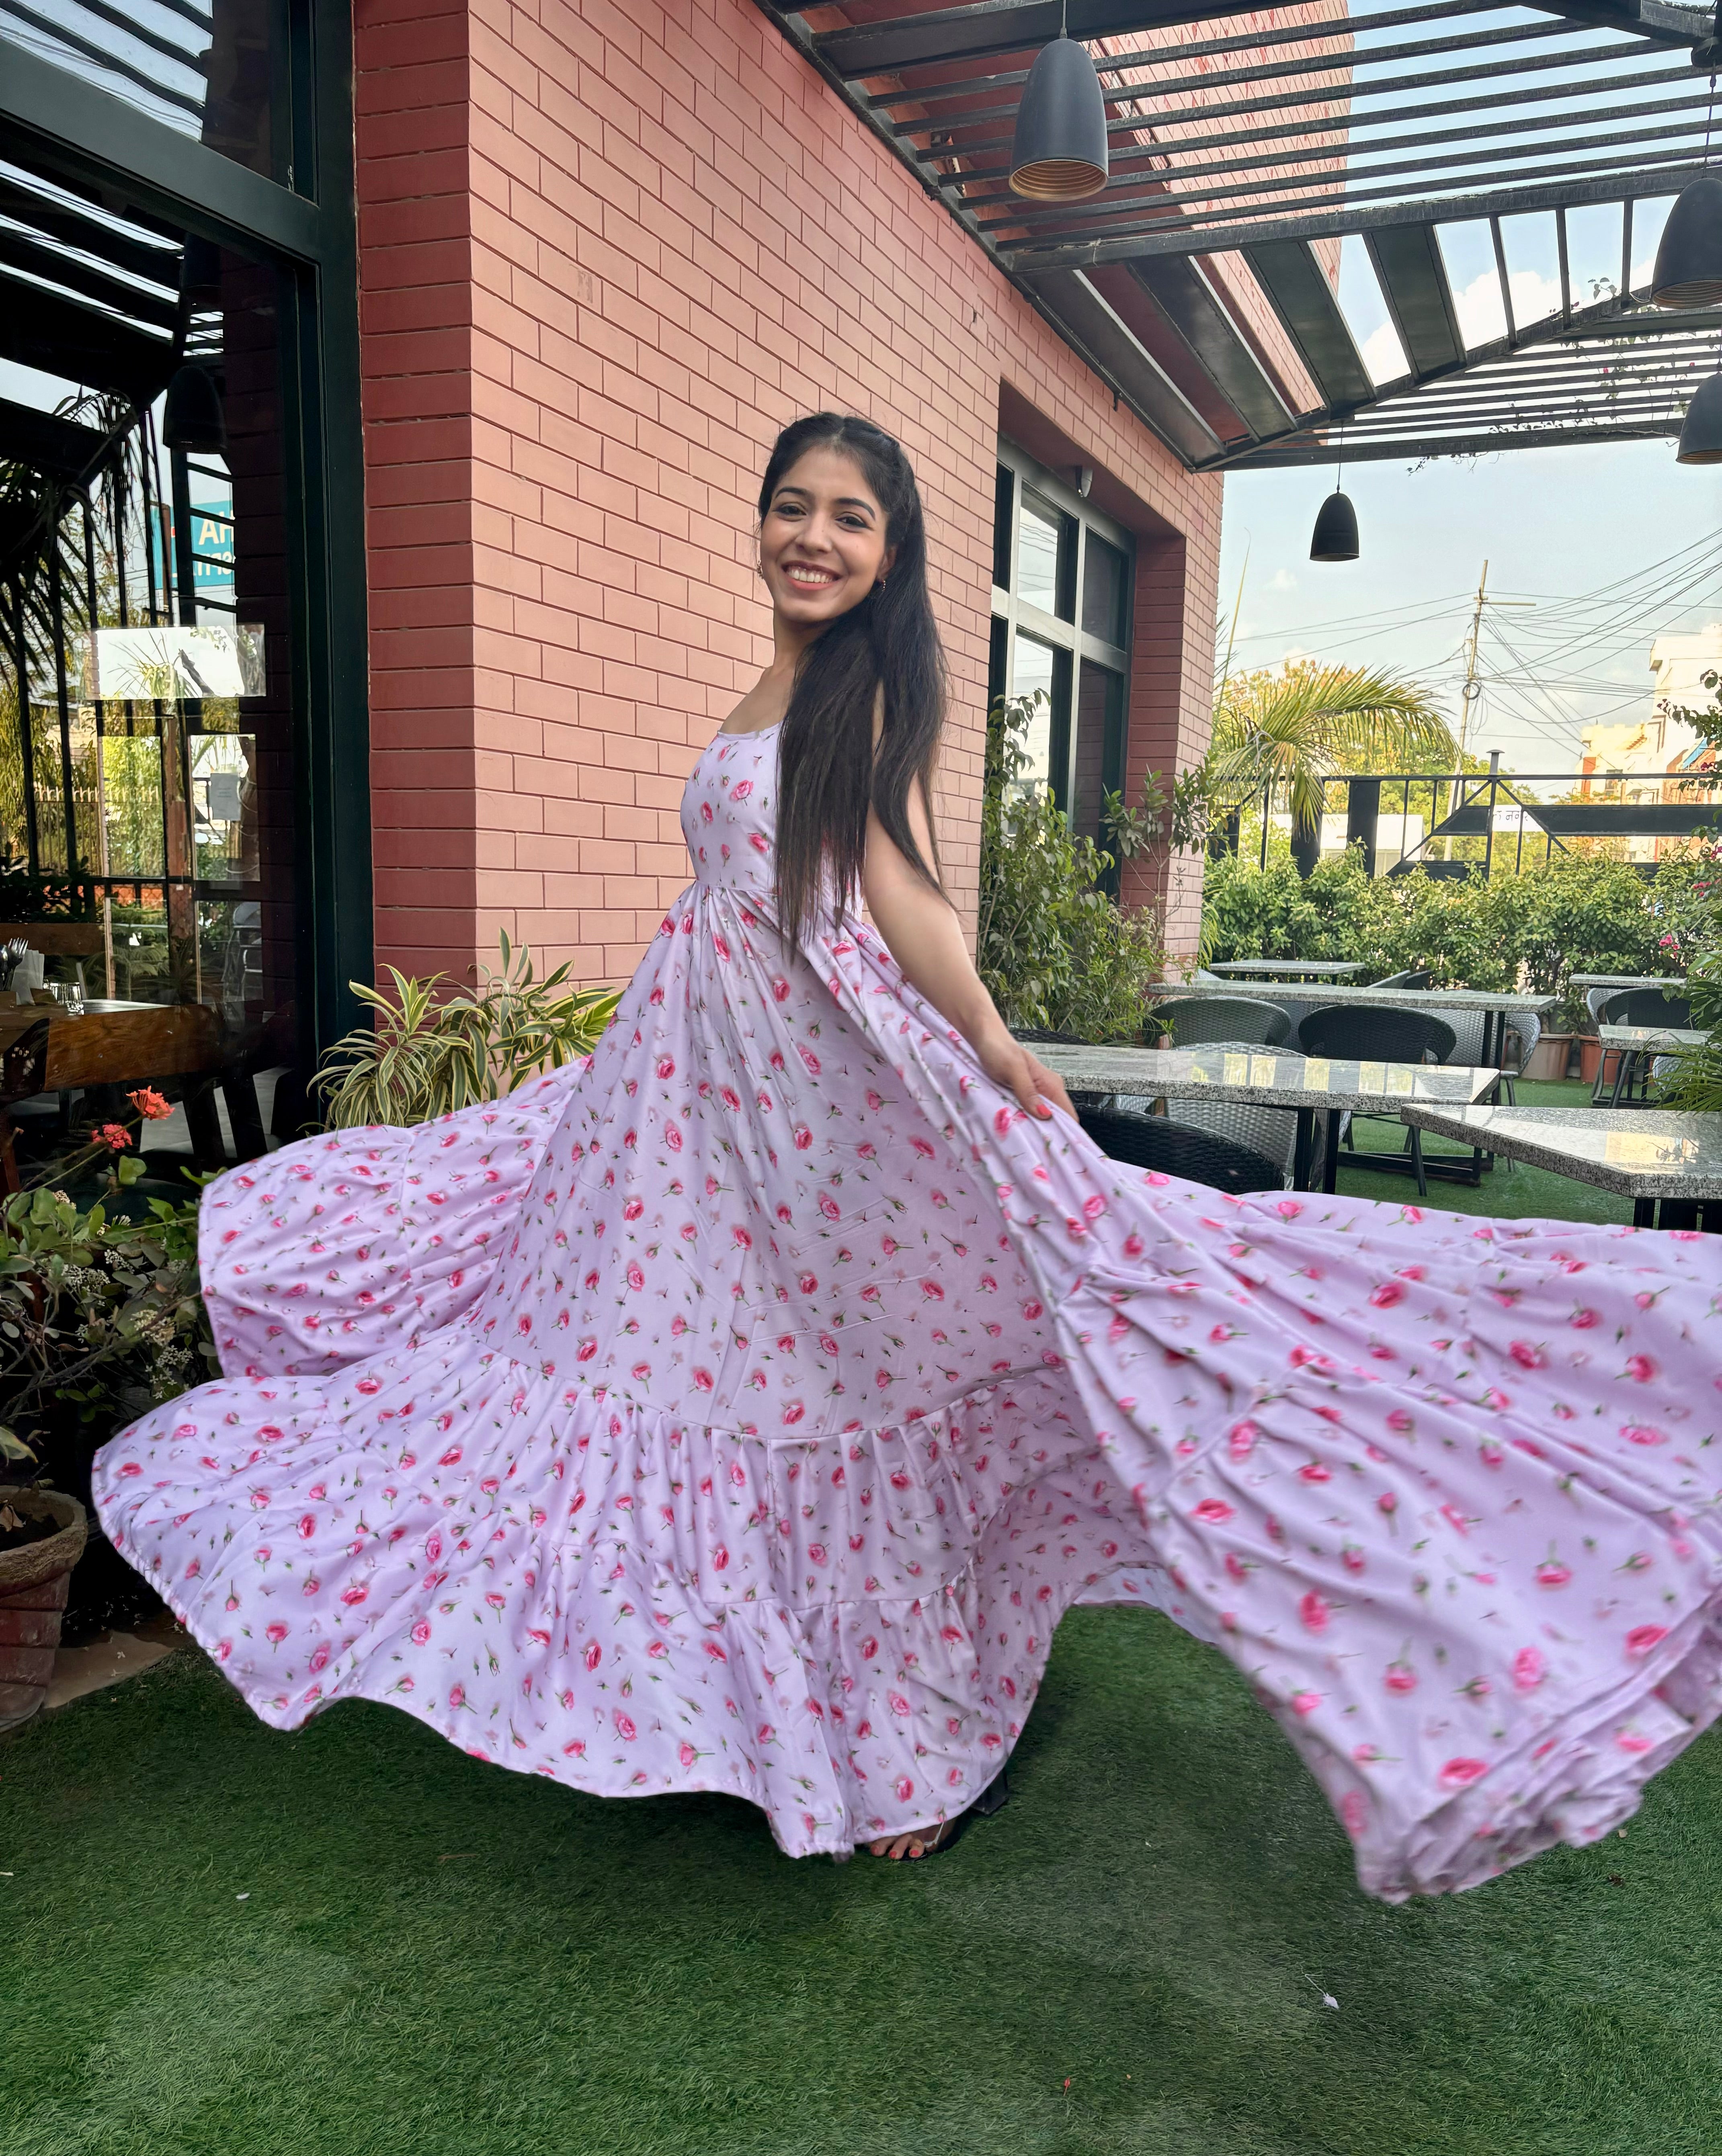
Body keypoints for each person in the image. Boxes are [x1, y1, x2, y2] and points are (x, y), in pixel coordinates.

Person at [94, 413, 1722, 1888]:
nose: (814, 536)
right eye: (792, 508)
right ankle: (766, 1717)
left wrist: (996, 1042)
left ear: (892, 551)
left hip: (804, 1100)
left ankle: (908, 1734)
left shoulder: (859, 692)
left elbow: (895, 893)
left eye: (850, 518)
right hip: (684, 1112)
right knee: (676, 1376)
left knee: (861, 1381)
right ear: (761, 529)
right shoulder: (774, 683)